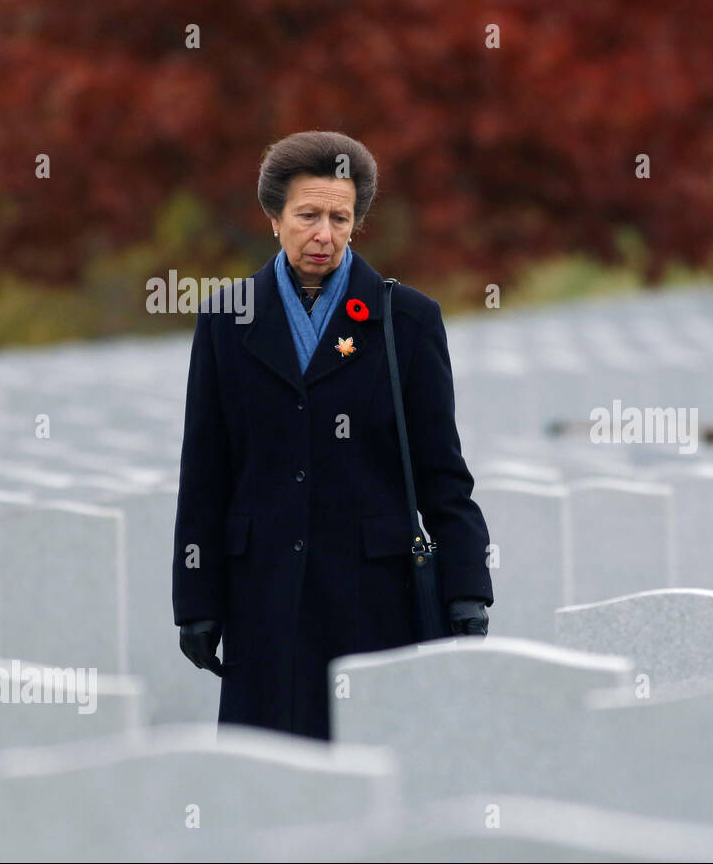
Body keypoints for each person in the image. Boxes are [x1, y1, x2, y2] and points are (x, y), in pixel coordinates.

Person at [172, 130, 493, 741]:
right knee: (266, 781)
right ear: (274, 219)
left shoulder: (407, 321)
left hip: (373, 598)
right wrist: (196, 599)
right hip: (263, 595)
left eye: (340, 218)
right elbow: (206, 471)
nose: (324, 234)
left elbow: (442, 471)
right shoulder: (225, 319)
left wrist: (468, 590)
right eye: (308, 215)